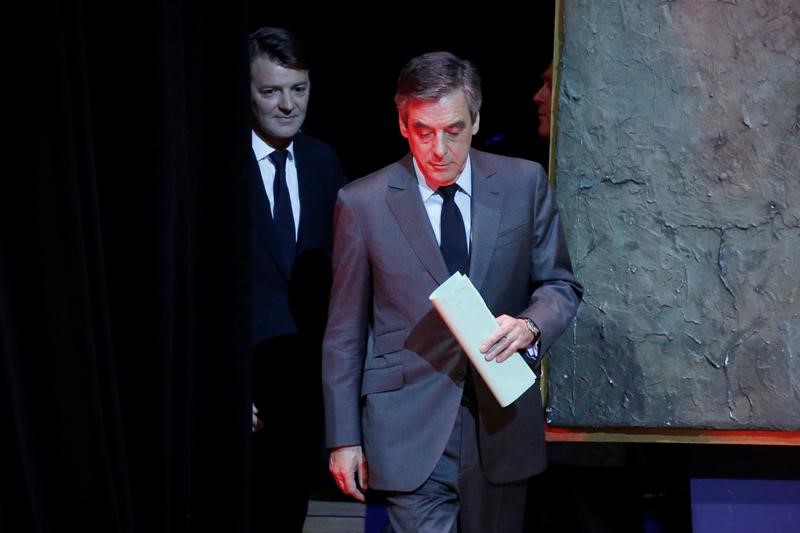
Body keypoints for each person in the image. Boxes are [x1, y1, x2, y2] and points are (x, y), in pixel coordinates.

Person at [322, 51, 583, 533]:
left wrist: (529, 326)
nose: (439, 148)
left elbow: (560, 285)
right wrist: (343, 438)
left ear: (477, 120)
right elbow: (344, 332)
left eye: (454, 130)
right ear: (403, 124)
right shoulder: (363, 203)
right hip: (408, 426)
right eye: (424, 131)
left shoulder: (522, 183)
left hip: (501, 424)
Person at [526, 60, 637, 533]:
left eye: (549, 84)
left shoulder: (614, 186)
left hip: (596, 414)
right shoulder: (532, 181)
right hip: (537, 420)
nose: (538, 96)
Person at [248, 26, 346, 532]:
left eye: (299, 89)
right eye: (271, 91)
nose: (288, 105)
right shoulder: (210, 165)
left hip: (302, 394)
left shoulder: (322, 162)